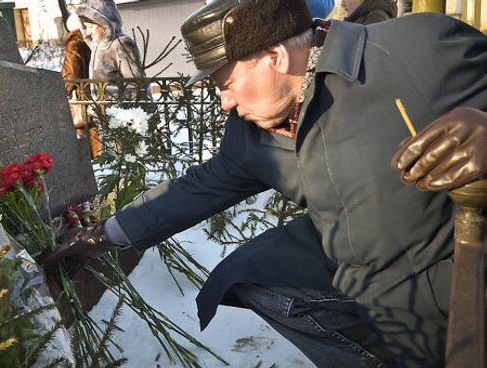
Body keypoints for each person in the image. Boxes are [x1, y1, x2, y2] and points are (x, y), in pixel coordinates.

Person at [39, 0, 487, 366]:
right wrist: (105, 234)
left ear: (274, 57)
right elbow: (200, 187)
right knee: (250, 275)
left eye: (228, 82)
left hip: (450, 270)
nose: (224, 102)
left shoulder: (416, 48)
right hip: (355, 265)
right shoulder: (252, 131)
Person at [62, 12, 101, 159]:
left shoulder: (74, 43)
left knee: (85, 132)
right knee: (95, 128)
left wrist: (63, 89)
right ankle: (100, 160)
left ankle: (91, 163)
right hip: (94, 91)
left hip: (81, 95)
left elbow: (71, 73)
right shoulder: (91, 41)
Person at [75, 0, 144, 81]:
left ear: (104, 24)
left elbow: (135, 83)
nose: (88, 32)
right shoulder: (97, 46)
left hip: (117, 94)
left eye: (91, 27)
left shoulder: (121, 45)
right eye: (86, 27)